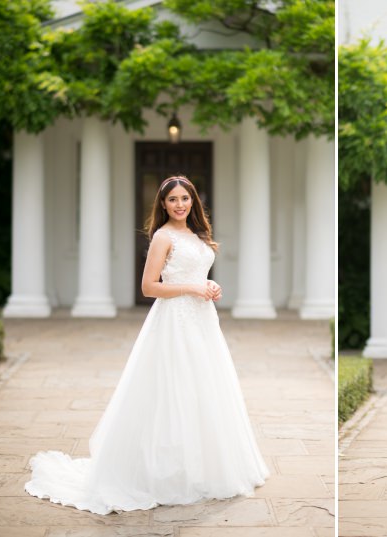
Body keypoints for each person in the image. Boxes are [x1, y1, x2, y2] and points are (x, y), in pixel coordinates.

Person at [25, 176, 269, 515]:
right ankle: (162, 471)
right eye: (173, 200)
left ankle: (204, 467)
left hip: (202, 322)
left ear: (194, 202)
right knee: (173, 390)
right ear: (164, 205)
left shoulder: (197, 236)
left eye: (185, 198)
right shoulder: (162, 236)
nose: (180, 204)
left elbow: (194, 276)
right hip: (173, 322)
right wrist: (193, 289)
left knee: (205, 389)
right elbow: (149, 287)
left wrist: (209, 285)